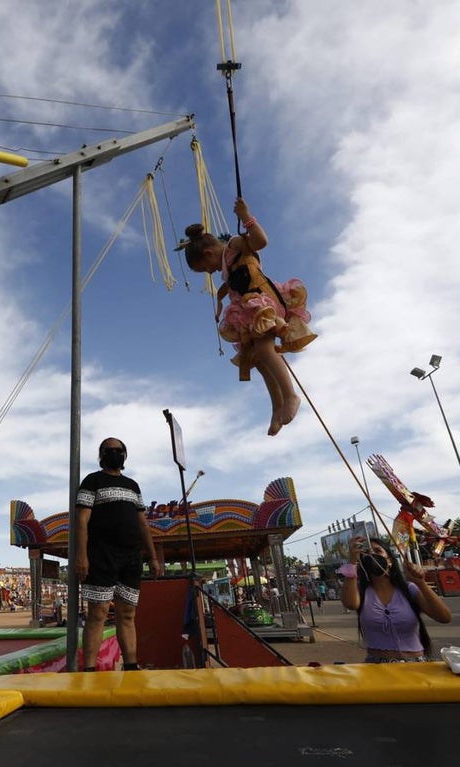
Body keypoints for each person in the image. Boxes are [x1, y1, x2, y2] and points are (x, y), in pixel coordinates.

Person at [181, 198, 316, 436]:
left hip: (263, 302)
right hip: (250, 309)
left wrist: (246, 216)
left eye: (205, 268)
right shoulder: (226, 265)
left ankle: (290, 395)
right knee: (258, 359)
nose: (209, 273)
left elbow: (261, 241)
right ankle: (277, 408)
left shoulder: (234, 246)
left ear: (209, 253)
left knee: (265, 350)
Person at [73, 437, 163, 671]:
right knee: (98, 613)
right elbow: (82, 520)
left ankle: (131, 666)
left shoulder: (133, 486)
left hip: (131, 557)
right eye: (110, 450)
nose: (115, 453)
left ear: (125, 454)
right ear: (101, 454)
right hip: (101, 555)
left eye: (119, 450)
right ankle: (89, 670)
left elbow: (143, 524)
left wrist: (153, 557)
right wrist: (81, 556)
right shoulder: (92, 481)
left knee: (127, 613)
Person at [339, 537, 451, 662]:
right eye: (367, 553)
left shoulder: (409, 589)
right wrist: (352, 561)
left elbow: (444, 617)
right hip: (376, 668)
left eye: (378, 551)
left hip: (414, 666)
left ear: (390, 559)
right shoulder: (361, 592)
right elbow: (350, 603)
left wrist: (421, 583)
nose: (372, 556)